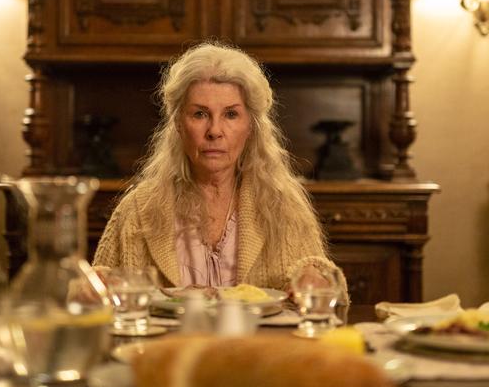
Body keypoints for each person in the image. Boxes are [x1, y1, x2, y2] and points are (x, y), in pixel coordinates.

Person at [93, 42, 347, 295]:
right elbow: (92, 298)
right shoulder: (137, 209)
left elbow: (328, 293)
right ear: (179, 125)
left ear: (250, 126)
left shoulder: (284, 205)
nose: (214, 131)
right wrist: (95, 286)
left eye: (231, 115)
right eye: (200, 114)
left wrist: (320, 281)